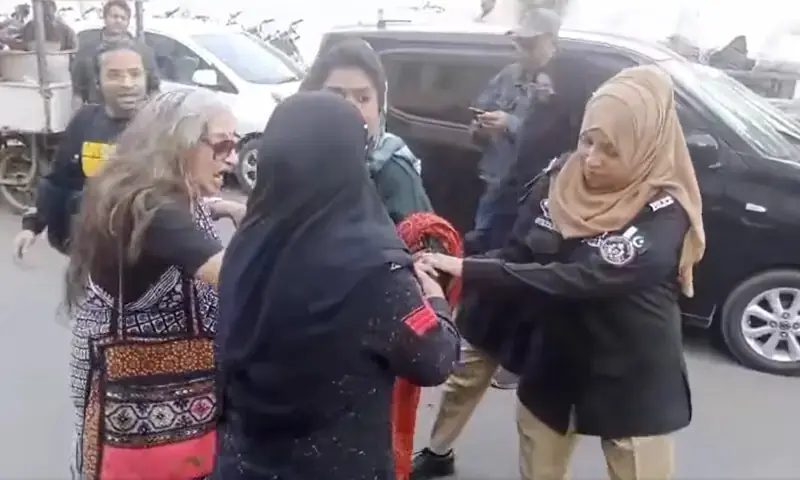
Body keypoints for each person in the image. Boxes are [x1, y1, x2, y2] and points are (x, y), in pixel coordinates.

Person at [420, 65, 706, 480]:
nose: (591, 159)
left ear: (645, 144)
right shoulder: (560, 179)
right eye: (588, 141)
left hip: (630, 373)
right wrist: (442, 270)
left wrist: (467, 269)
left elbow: (582, 278)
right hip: (554, 361)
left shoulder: (663, 210)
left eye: (611, 149)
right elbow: (520, 252)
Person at [213, 92, 460, 480]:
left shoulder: (249, 241)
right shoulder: (374, 272)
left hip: (244, 460)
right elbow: (434, 360)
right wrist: (436, 300)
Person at [65, 88, 243, 478]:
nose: (231, 158)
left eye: (236, 143)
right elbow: (240, 280)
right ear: (179, 141)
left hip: (142, 383)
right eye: (222, 144)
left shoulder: (161, 191)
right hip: (135, 391)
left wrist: (229, 209)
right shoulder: (155, 207)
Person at [12, 40, 169, 260]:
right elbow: (60, 180)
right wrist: (33, 226)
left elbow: (184, 192)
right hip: (91, 255)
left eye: (135, 74)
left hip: (147, 256)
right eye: (114, 75)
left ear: (147, 78)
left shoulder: (164, 127)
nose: (127, 83)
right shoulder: (85, 121)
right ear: (98, 82)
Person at [299, 38, 432, 223]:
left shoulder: (394, 174)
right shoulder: (297, 160)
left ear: (379, 107)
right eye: (335, 96)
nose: (350, 109)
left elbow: (423, 245)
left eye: (363, 98)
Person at [467, 8, 560, 257]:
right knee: (480, 247)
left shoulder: (564, 81)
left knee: (516, 256)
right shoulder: (508, 75)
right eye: (519, 42)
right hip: (496, 183)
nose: (521, 50)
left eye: (529, 44)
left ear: (550, 42)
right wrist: (483, 126)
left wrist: (510, 123)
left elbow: (556, 140)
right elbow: (478, 114)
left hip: (535, 194)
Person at [71, 0, 160, 104]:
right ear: (104, 18)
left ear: (128, 21)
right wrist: (79, 117)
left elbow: (154, 88)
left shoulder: (143, 52)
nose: (118, 20)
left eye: (123, 18)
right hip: (98, 113)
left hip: (135, 113)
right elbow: (77, 93)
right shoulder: (87, 52)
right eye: (114, 16)